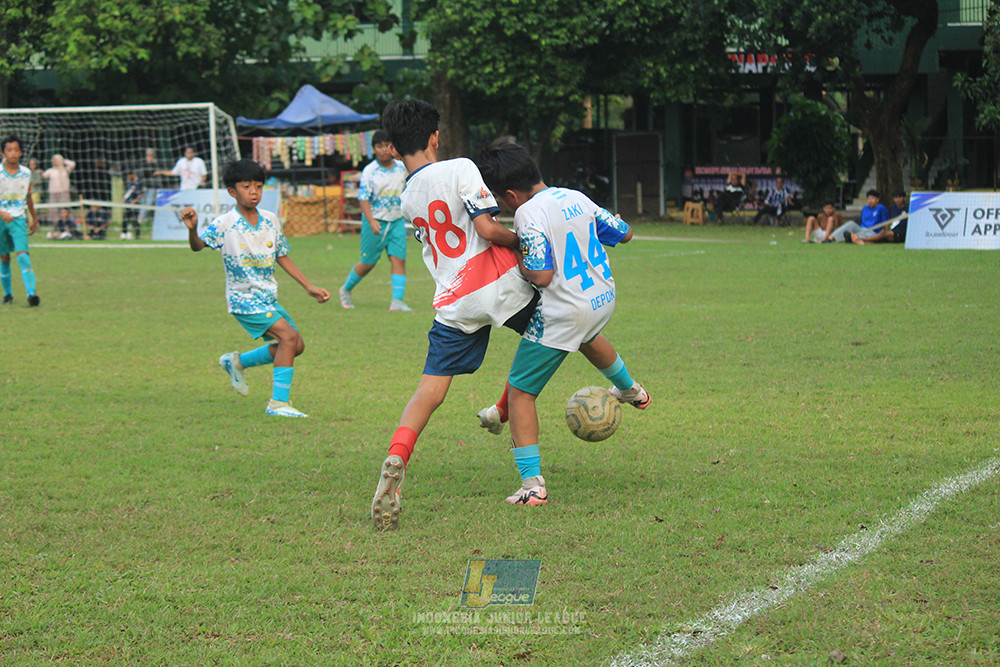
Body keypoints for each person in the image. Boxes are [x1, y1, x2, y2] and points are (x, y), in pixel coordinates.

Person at [369, 99, 541, 530]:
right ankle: (507, 413)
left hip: (453, 301)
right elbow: (486, 229)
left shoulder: (407, 195)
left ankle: (397, 455)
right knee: (549, 334)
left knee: (429, 391)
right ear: (434, 137)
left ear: (393, 146)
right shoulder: (461, 166)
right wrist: (523, 239)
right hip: (499, 286)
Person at [476, 142, 650, 507]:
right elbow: (625, 233)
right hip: (602, 299)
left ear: (509, 194)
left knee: (522, 392)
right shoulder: (576, 196)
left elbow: (541, 275)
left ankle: (532, 486)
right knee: (588, 338)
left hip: (563, 312)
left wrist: (520, 262)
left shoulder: (527, 213)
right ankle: (632, 391)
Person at [180, 158, 330, 418]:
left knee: (296, 346)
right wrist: (193, 231)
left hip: (267, 297)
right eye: (247, 186)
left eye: (258, 186)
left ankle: (236, 362)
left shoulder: (270, 220)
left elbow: (282, 255)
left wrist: (308, 286)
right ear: (232, 191)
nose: (253, 192)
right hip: (243, 298)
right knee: (288, 338)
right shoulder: (225, 223)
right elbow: (198, 246)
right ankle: (277, 404)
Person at [337, 129, 411, 312]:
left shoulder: (402, 167)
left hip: (396, 222)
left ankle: (397, 302)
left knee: (399, 260)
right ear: (373, 149)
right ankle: (345, 289)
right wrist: (371, 221)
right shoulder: (369, 171)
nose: (384, 149)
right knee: (368, 263)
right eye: (380, 146)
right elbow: (363, 199)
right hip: (375, 222)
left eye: (387, 145)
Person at [0, 135, 41, 307]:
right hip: (1, 219)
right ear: (3, 152)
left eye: (16, 150)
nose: (13, 153)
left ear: (21, 152)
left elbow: (28, 196)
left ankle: (31, 295)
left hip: (18, 219)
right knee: (4, 258)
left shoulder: (26, 173)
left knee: (23, 256)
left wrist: (34, 218)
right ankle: (8, 294)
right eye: (9, 150)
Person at [42, 153, 76, 222]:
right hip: (53, 193)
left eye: (55, 160)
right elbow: (44, 175)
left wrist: (63, 161)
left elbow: (72, 164)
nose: (53, 162)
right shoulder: (51, 170)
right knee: (54, 210)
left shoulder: (65, 170)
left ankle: (66, 222)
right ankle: (56, 224)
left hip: (63, 192)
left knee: (64, 209)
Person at [122, 170, 144, 239]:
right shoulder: (129, 182)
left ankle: (137, 236)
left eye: (129, 175)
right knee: (125, 219)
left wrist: (135, 200)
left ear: (132, 175)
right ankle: (124, 234)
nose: (128, 177)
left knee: (134, 220)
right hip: (128, 203)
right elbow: (128, 192)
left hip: (135, 204)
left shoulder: (139, 182)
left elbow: (141, 193)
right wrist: (124, 199)